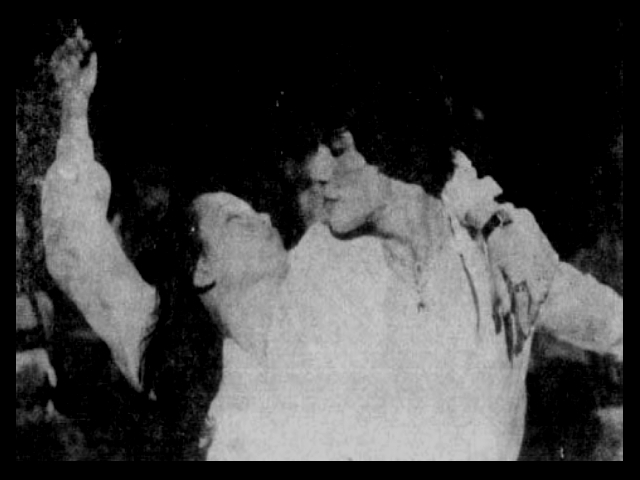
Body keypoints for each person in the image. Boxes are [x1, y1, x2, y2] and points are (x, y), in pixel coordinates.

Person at [42, 37, 622, 461]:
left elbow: (419, 191)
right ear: (202, 267)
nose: (264, 216)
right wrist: (72, 114)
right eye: (235, 219)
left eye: (336, 149)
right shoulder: (194, 360)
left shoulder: (339, 263)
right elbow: (79, 254)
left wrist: (492, 221)